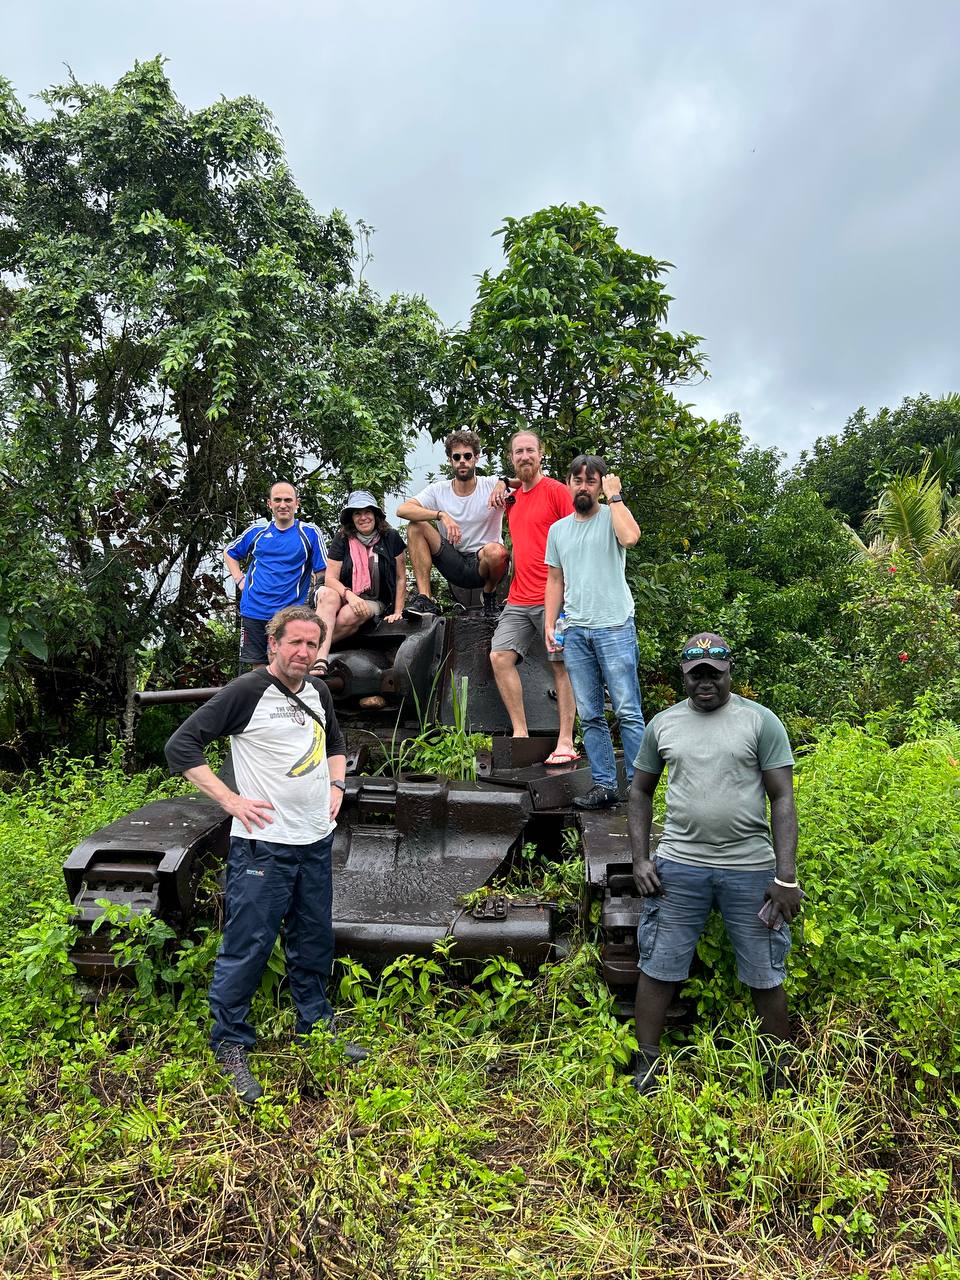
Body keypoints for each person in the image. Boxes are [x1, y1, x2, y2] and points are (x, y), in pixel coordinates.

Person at [165, 605, 366, 1104]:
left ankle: (315, 1026)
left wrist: (336, 783)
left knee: (313, 938)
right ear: (273, 644)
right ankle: (231, 1043)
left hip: (314, 840)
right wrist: (230, 800)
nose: (302, 652)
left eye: (311, 644)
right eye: (293, 642)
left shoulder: (318, 691)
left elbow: (335, 743)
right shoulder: (247, 691)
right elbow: (181, 745)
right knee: (248, 945)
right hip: (264, 845)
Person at [627, 633, 802, 1095]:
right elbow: (639, 791)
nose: (706, 684)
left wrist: (786, 877)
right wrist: (640, 857)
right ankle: (647, 1067)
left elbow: (782, 798)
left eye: (714, 675)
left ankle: (777, 1072)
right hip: (679, 867)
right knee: (659, 964)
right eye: (696, 676)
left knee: (765, 972)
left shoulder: (759, 721)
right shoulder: (663, 725)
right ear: (684, 677)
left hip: (750, 869)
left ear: (729, 674)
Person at [544, 455, 645, 809]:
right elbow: (555, 579)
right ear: (568, 483)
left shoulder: (611, 517)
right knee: (589, 714)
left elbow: (631, 537)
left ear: (601, 484)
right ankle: (604, 784)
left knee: (628, 709)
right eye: (577, 480)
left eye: (591, 480)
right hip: (576, 631)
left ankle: (638, 786)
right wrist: (548, 622)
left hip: (615, 626)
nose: (583, 486)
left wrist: (616, 498)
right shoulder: (558, 530)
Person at [487, 430, 578, 765]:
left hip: (555, 596)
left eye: (530, 450)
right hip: (519, 597)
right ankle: (521, 733)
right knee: (500, 657)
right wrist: (501, 482)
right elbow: (511, 483)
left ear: (541, 454)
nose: (524, 456)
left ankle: (565, 739)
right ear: (512, 458)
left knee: (561, 665)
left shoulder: (556, 491)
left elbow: (577, 535)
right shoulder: (513, 498)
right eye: (518, 452)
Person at [396, 429, 509, 618]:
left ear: (476, 457)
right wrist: (441, 515)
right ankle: (426, 599)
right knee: (416, 526)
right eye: (457, 457)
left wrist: (503, 482)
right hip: (454, 561)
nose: (462, 461)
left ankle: (489, 595)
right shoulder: (438, 490)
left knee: (496, 552)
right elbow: (402, 510)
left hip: (486, 565)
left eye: (467, 455)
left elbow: (524, 484)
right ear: (450, 460)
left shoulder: (490, 485)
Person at [224, 481, 328, 667]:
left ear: (297, 503)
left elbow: (322, 572)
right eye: (277, 500)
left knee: (285, 665)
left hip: (289, 613)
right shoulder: (257, 532)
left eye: (288, 500)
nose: (283, 505)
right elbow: (230, 552)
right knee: (258, 670)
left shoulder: (309, 533)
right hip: (254, 610)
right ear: (269, 504)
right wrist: (240, 580)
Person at [311, 490, 407, 675]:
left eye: (367, 512)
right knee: (325, 594)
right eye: (357, 513)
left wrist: (398, 611)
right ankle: (319, 660)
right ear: (351, 518)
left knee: (349, 615)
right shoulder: (342, 539)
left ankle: (307, 650)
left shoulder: (391, 537)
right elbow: (330, 579)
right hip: (345, 593)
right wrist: (350, 596)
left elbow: (400, 577)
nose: (363, 517)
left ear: (375, 515)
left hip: (374, 599)